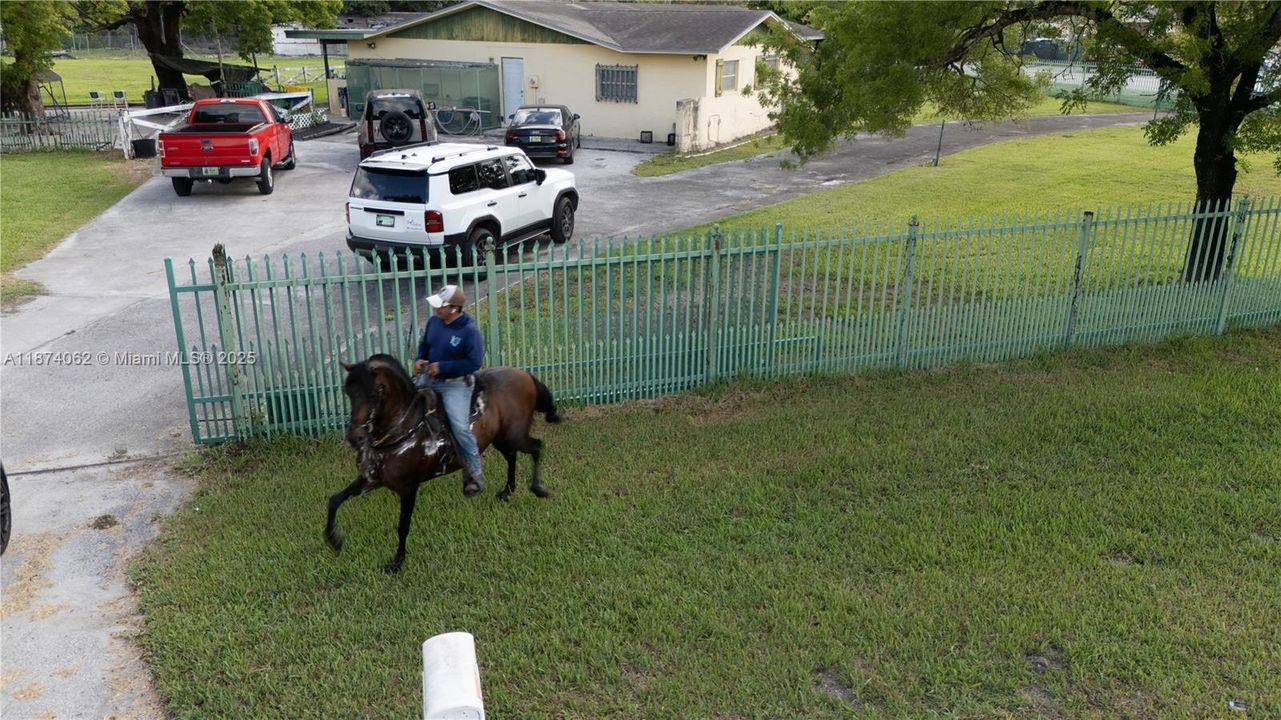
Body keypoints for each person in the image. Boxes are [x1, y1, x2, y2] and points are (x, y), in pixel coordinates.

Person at [413, 284, 485, 497]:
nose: (436, 310)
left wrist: (443, 367)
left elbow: (474, 362)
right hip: (430, 376)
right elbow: (425, 344)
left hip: (456, 384)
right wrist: (419, 358)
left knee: (460, 426)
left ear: (453, 308)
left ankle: (474, 473)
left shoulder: (469, 331)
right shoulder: (434, 322)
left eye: (440, 306)